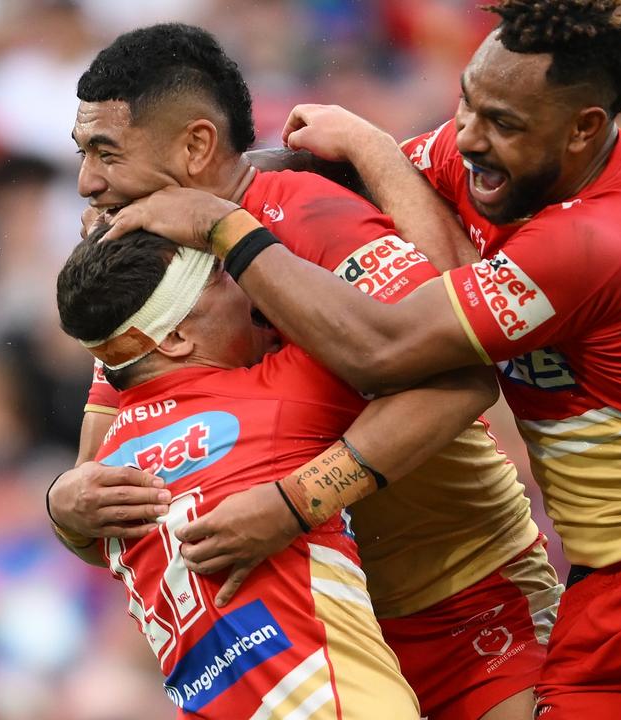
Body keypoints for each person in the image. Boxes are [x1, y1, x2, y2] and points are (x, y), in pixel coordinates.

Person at [100, 2, 621, 718]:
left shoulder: (598, 236)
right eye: (466, 105)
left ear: (584, 129)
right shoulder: (500, 159)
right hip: (598, 586)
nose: (467, 138)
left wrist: (230, 221)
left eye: (501, 123)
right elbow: (333, 191)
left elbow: (388, 350)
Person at [49, 24, 560, 720]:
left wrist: (295, 503)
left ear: (195, 146)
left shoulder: (309, 217)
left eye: (106, 153)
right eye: (83, 154)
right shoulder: (148, 260)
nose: (88, 181)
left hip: (468, 603)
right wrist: (65, 506)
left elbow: (464, 371)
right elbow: (105, 486)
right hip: (332, 625)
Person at [56, 227, 423, 719]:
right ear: (178, 337)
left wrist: (56, 504)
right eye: (218, 275)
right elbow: (451, 325)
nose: (248, 279)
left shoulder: (102, 469)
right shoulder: (282, 393)